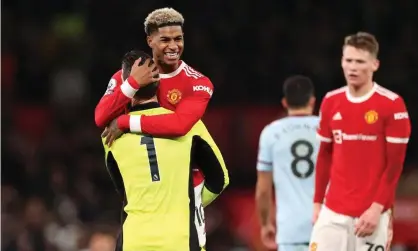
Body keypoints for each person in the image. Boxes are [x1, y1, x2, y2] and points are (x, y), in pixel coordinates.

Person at [94, 8, 215, 245]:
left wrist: (125, 121)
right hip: (144, 186)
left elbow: (180, 125)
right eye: (165, 40)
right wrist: (131, 84)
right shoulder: (125, 76)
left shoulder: (198, 83)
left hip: (184, 187)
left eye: (178, 39)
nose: (173, 46)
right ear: (150, 41)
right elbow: (100, 118)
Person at [101, 54, 229, 251]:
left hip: (134, 240)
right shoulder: (190, 126)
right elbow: (220, 178)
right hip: (180, 238)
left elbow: (123, 190)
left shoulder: (110, 135)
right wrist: (188, 202)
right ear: (160, 82)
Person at [310, 32, 411, 251]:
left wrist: (376, 209)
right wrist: (317, 202)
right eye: (348, 60)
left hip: (371, 215)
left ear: (374, 65)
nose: (352, 67)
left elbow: (394, 167)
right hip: (332, 212)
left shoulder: (392, 105)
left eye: (359, 62)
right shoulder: (330, 101)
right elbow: (324, 155)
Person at [255, 75, 319, 251]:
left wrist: (265, 223)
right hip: (327, 226)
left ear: (285, 102)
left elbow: (263, 189)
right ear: (312, 101)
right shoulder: (327, 129)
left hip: (291, 231)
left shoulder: (271, 133)